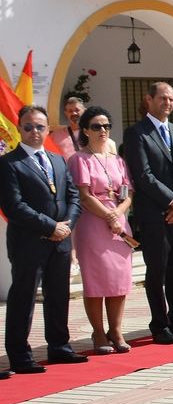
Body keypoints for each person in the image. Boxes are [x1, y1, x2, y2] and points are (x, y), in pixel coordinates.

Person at [2, 106, 83, 376]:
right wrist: (50, 226)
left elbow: (73, 196)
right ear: (19, 129)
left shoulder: (57, 160)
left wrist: (66, 226)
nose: (34, 132)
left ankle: (59, 346)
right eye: (28, 127)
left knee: (58, 295)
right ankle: (20, 355)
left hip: (60, 241)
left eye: (39, 126)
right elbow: (14, 206)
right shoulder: (9, 163)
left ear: (48, 128)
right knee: (24, 297)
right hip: (29, 242)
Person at [122, 81, 173, 343]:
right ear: (149, 100)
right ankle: (160, 324)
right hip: (155, 214)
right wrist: (171, 201)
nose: (168, 103)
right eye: (163, 99)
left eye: (171, 100)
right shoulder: (137, 133)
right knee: (157, 270)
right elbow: (143, 176)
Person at [69, 104, 134, 353]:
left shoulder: (117, 160)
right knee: (97, 280)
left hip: (118, 224)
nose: (102, 131)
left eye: (106, 126)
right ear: (85, 130)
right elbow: (84, 195)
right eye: (96, 126)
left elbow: (128, 193)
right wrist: (108, 214)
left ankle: (116, 331)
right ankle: (98, 332)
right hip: (93, 223)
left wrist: (117, 214)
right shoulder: (80, 159)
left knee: (119, 279)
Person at [49, 93, 86, 159]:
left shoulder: (92, 133)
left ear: (84, 111)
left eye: (77, 110)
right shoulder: (56, 135)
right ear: (66, 113)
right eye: (70, 111)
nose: (74, 113)